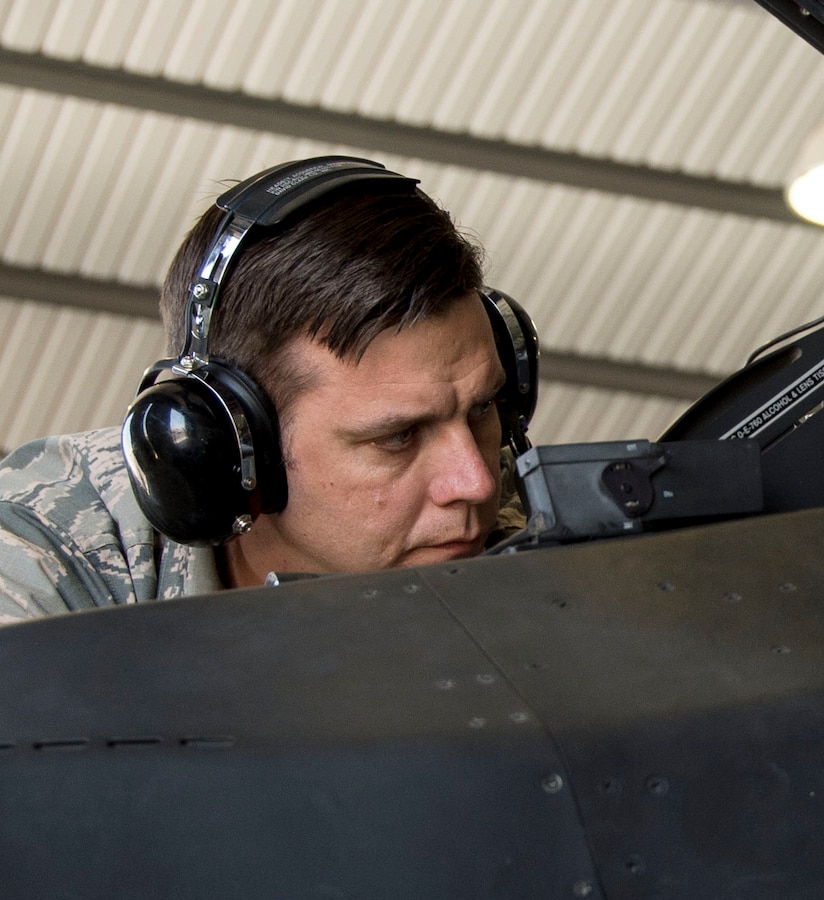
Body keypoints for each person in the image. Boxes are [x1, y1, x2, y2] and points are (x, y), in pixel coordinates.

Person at [0, 156, 538, 622]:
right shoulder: (44, 553)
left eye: (482, 408)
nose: (475, 481)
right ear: (233, 454)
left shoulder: (542, 541)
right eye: (397, 437)